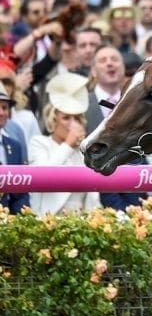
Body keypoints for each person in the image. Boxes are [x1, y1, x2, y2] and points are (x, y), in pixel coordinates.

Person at [28, 72, 101, 215]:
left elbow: (92, 194)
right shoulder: (39, 143)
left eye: (77, 118)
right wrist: (68, 144)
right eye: (66, 118)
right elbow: (42, 179)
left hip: (80, 224)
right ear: (53, 120)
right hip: (49, 220)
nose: (72, 124)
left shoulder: (82, 152)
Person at [0, 82, 30, 214]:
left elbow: (20, 193)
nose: (1, 112)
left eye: (5, 107)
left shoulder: (14, 146)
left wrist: (19, 222)